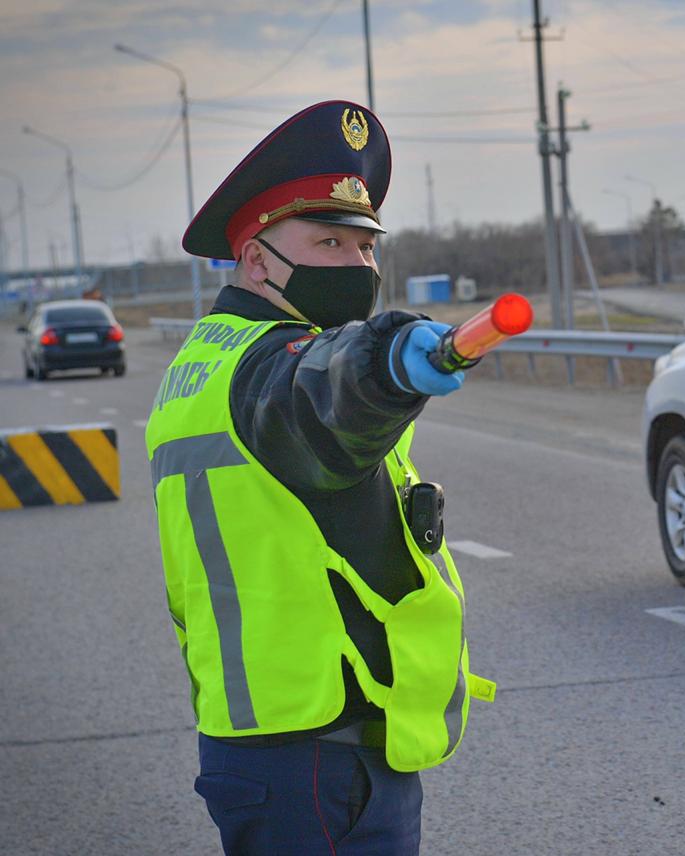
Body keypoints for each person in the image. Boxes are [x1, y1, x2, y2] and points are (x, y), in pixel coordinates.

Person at [145, 100, 493, 855]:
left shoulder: (203, 364)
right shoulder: (263, 368)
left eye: (365, 247)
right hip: (315, 753)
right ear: (258, 260)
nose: (357, 265)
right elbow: (324, 397)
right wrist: (391, 358)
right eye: (329, 242)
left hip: (281, 740)